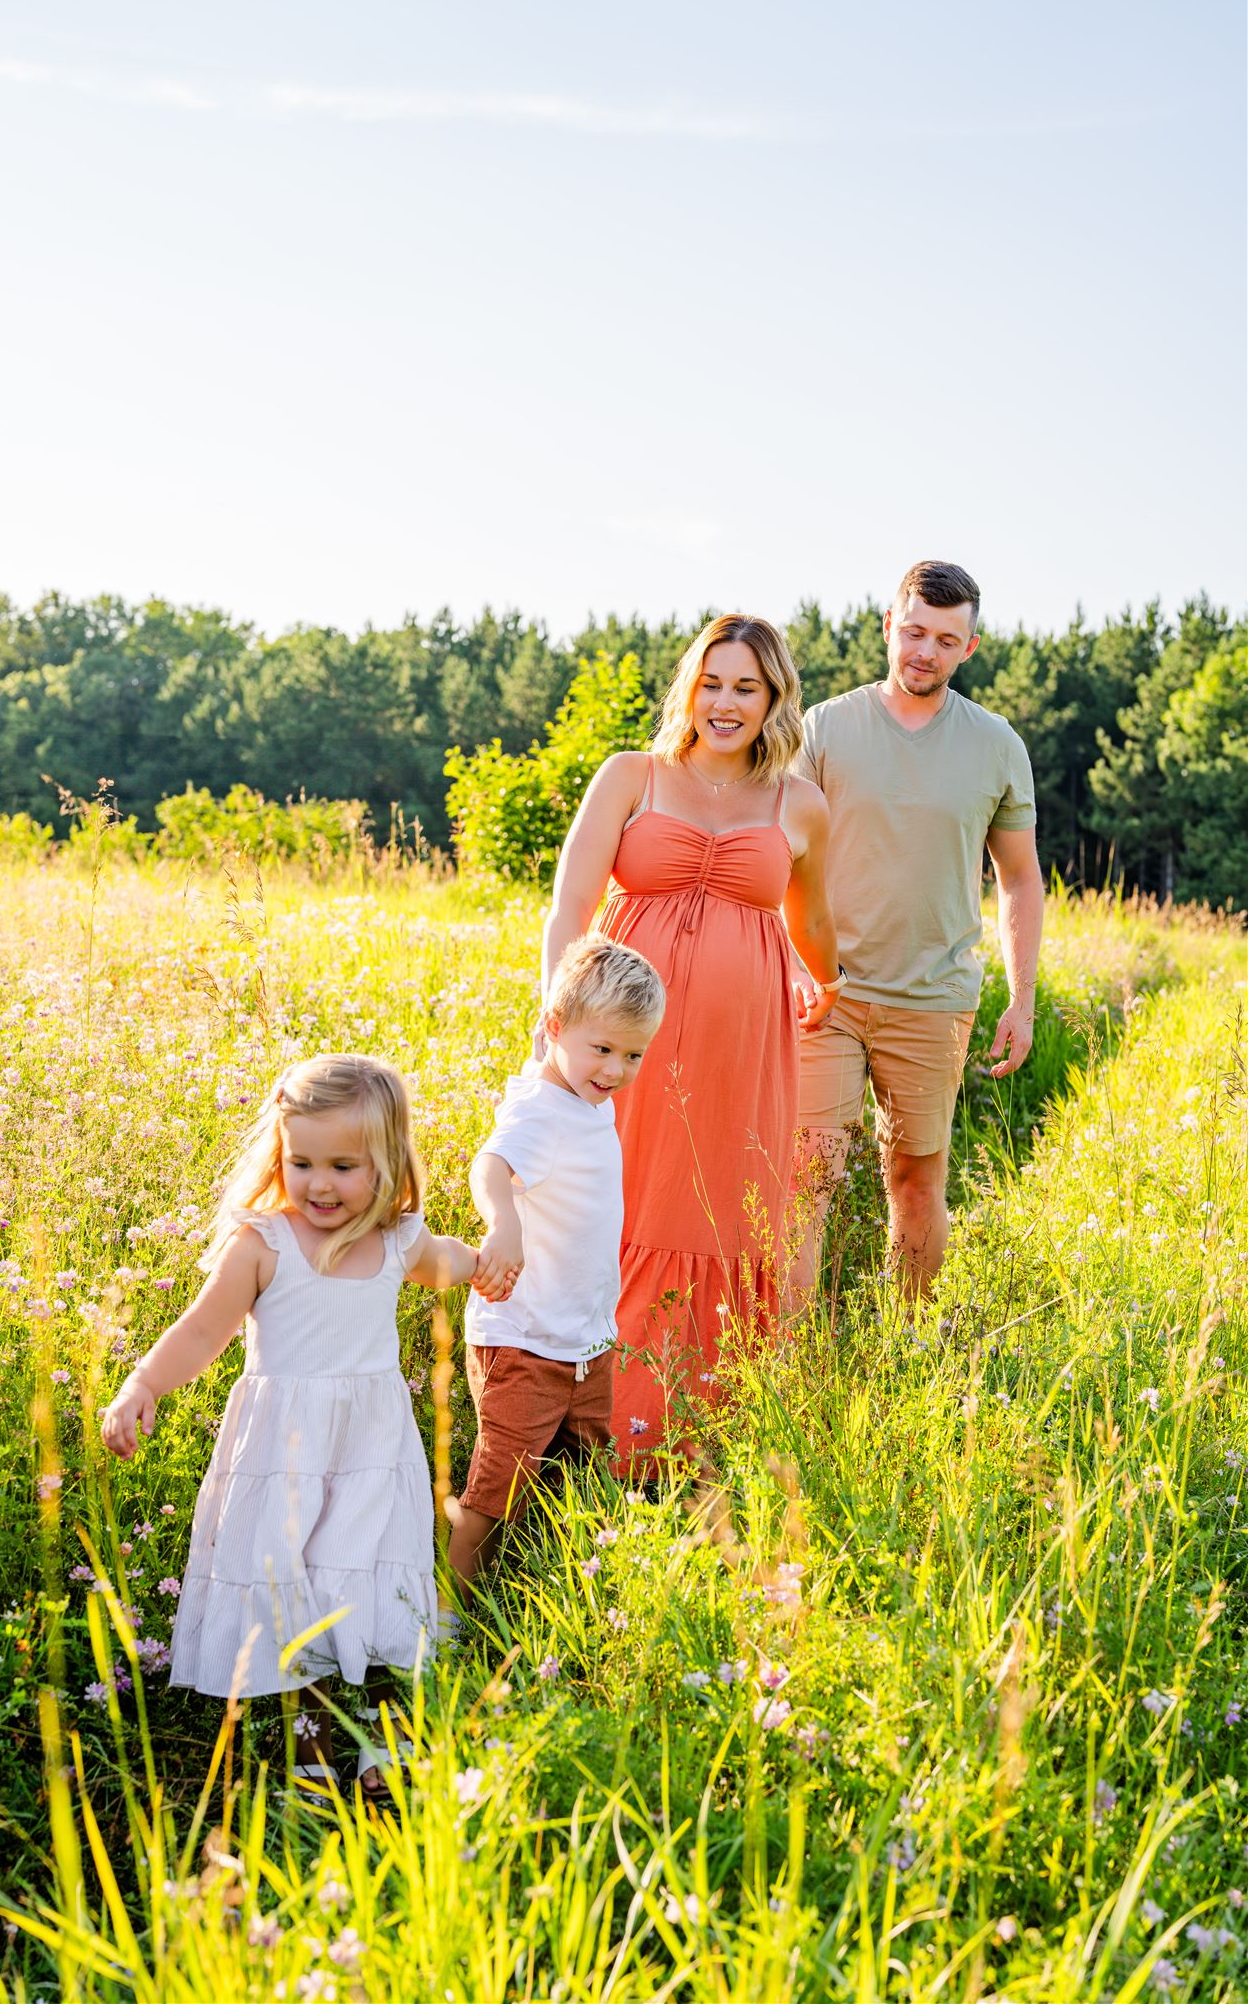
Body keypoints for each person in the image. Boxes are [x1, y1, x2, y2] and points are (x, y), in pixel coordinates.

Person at [99, 1052, 485, 1800]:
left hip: (371, 1447)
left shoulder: (398, 1240)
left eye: (343, 1165)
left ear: (385, 1162)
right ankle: (306, 1738)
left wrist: (492, 1258)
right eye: (300, 1161)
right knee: (293, 1584)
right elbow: (201, 1332)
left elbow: (448, 1263)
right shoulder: (263, 1244)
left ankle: (382, 1737)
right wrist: (143, 1383)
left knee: (371, 1573)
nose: (318, 1183)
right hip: (282, 1448)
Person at [540, 614, 841, 1461]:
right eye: (711, 682)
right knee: (614, 1202)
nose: (724, 702)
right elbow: (569, 906)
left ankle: (687, 1441)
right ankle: (580, 1430)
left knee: (718, 1215)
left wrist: (830, 981)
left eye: (746, 686)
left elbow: (813, 922)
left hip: (742, 1053)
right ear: (689, 686)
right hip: (618, 1044)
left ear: (774, 697)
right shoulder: (631, 776)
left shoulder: (799, 804)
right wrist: (557, 1020)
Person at [791, 559, 1044, 1301]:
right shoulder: (826, 726)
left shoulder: (996, 744)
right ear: (886, 628)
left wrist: (1020, 1001)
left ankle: (910, 1348)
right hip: (824, 992)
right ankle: (783, 1361)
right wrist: (787, 962)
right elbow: (783, 855)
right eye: (912, 632)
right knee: (808, 1175)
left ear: (968, 648)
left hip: (933, 999)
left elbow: (1020, 878)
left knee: (914, 1176)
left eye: (943, 638)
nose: (923, 651)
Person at [446, 935, 666, 1607]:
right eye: (601, 1049)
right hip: (525, 1338)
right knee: (499, 1483)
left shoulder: (581, 1098)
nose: (615, 1070)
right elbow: (492, 1164)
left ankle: (573, 1592)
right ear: (553, 1029)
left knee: (583, 1478)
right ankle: (449, 1610)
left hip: (582, 1340)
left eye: (633, 1054)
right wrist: (503, 1225)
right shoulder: (540, 1110)